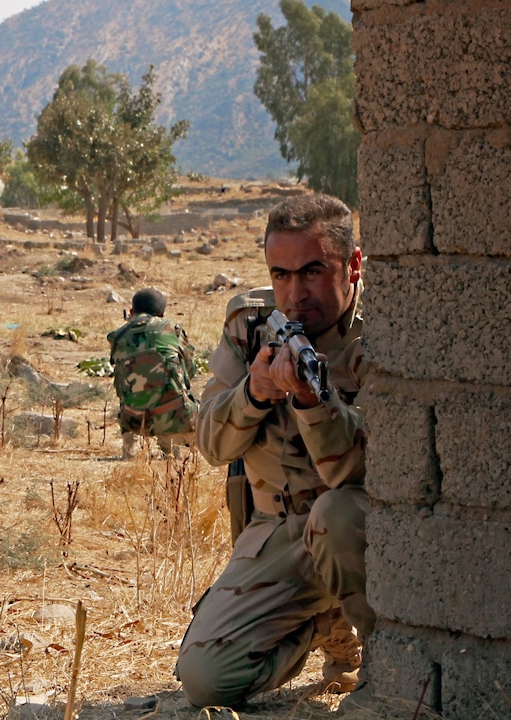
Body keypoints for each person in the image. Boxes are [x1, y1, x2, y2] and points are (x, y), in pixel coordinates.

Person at [175, 194, 373, 707]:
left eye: (311, 272)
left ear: (353, 265)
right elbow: (210, 443)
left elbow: (361, 469)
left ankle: (388, 661)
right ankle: (326, 624)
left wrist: (312, 400)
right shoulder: (251, 325)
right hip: (278, 534)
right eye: (281, 274)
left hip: (360, 533)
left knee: (336, 514)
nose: (294, 293)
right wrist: (253, 393)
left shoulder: (381, 339)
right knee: (204, 679)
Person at [107, 287, 198, 458]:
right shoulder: (172, 330)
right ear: (162, 314)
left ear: (132, 311)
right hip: (174, 417)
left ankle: (129, 450)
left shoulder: (117, 336)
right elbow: (190, 371)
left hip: (133, 419)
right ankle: (172, 448)